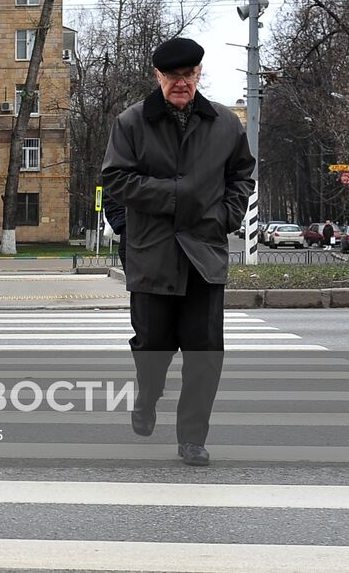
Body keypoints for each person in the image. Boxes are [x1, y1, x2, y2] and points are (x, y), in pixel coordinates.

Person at [101, 37, 255, 466]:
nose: (181, 84)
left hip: (205, 255)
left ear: (199, 74)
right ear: (158, 77)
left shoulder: (224, 123)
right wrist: (173, 197)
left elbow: (243, 172)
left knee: (205, 353)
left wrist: (228, 213)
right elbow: (115, 179)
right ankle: (147, 398)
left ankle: (192, 437)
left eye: (188, 75)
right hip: (153, 255)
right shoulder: (132, 122)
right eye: (173, 77)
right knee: (153, 346)